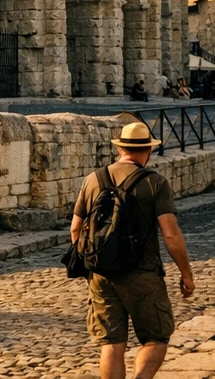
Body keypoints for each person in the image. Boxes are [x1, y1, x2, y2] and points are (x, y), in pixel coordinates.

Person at [71, 121, 195, 379]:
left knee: (111, 342)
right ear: (148, 151)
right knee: (156, 337)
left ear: (120, 149)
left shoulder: (93, 179)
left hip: (102, 275)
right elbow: (170, 233)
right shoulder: (155, 183)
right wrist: (186, 273)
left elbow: (75, 229)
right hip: (143, 273)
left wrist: (90, 267)